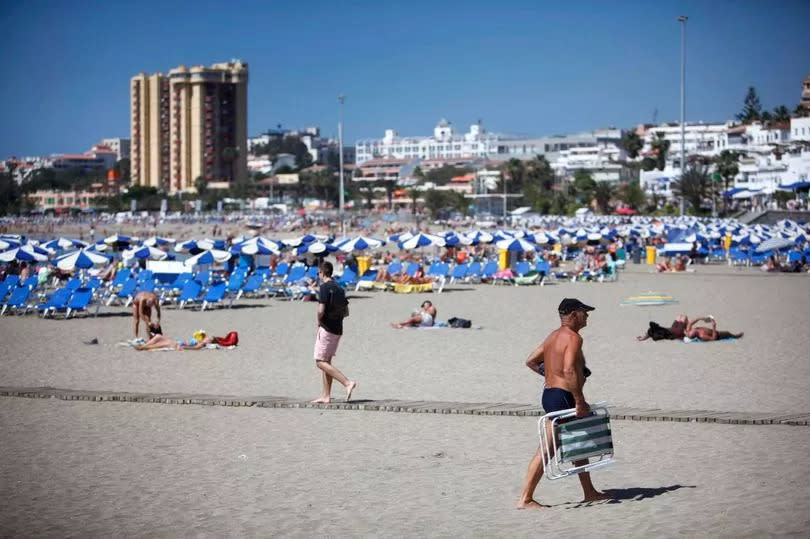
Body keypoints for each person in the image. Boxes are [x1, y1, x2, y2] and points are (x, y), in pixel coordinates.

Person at [517, 298, 608, 509]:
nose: (588, 315)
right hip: (562, 397)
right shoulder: (573, 338)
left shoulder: (552, 336)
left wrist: (549, 374)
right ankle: (525, 498)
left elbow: (530, 360)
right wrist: (579, 400)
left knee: (577, 440)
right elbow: (568, 370)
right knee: (547, 449)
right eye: (584, 312)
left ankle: (589, 491)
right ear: (574, 314)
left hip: (549, 394)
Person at [311, 261, 357, 404]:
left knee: (319, 362)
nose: (318, 275)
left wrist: (319, 320)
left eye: (318, 273)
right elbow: (346, 311)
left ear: (323, 272)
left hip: (327, 328)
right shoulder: (339, 287)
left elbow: (321, 310)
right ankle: (326, 396)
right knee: (327, 361)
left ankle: (347, 382)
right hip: (338, 328)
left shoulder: (324, 287)